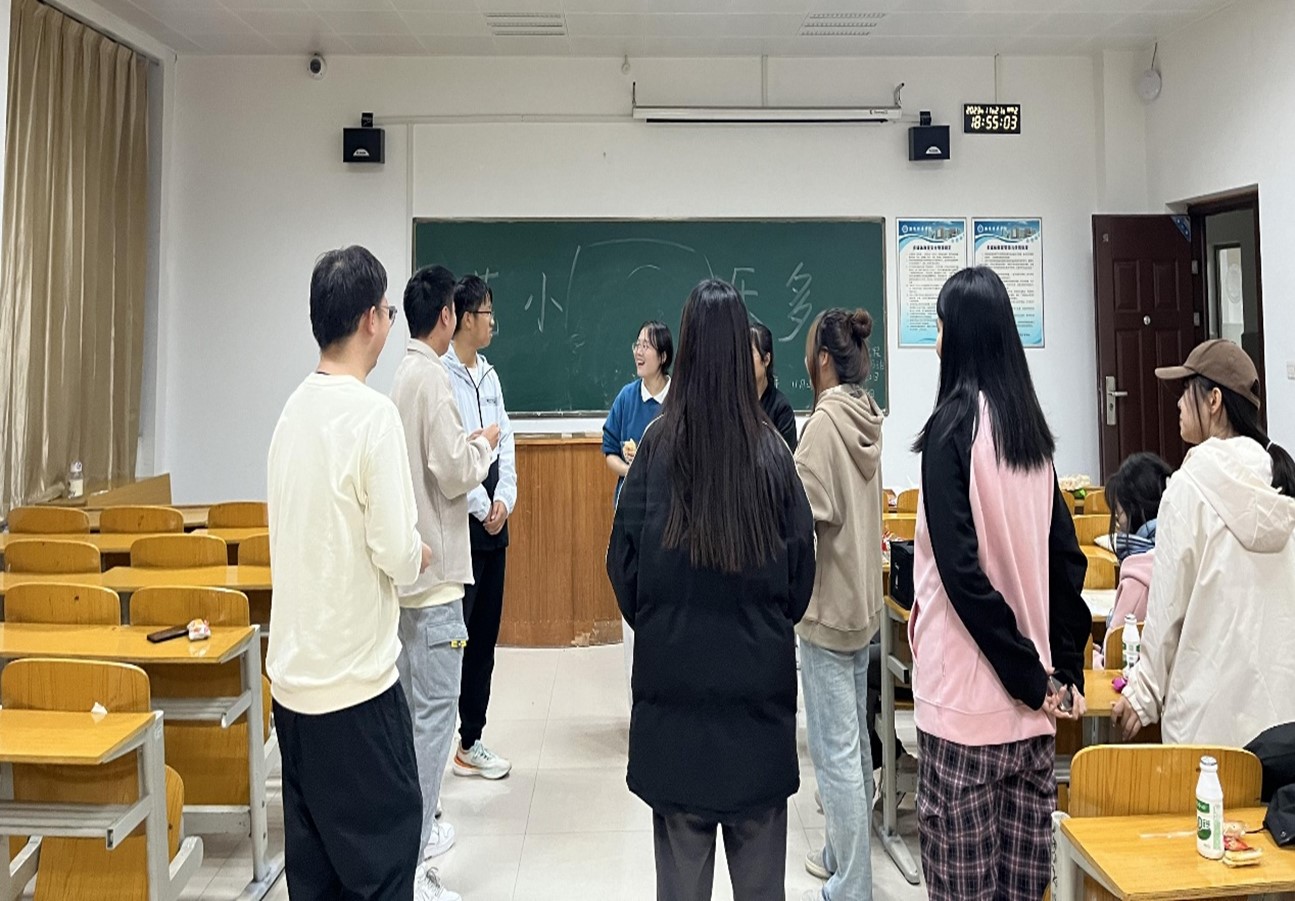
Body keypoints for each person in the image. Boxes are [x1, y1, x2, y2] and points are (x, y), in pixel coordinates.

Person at [607, 279, 815, 901]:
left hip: (675, 714)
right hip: (757, 717)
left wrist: (663, 623)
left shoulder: (655, 449)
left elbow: (622, 566)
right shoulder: (774, 454)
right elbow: (801, 578)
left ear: (688, 348)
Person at [907, 266, 1091, 901]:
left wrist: (1030, 677)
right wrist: (1062, 672)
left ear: (961, 335)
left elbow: (961, 576)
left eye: (939, 328)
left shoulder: (951, 428)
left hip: (964, 713)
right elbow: (1068, 563)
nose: (935, 343)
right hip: (1032, 720)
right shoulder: (1031, 435)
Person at [267, 246, 432, 900]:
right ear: (370, 319)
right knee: (383, 868)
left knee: (317, 879)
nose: (389, 321)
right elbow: (395, 551)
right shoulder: (371, 415)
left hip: (294, 693)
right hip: (356, 695)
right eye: (387, 310)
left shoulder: (291, 413)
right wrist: (415, 553)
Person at [1112, 339, 1295, 746]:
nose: (1178, 404)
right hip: (1283, 731)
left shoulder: (1187, 489)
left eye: (1186, 391)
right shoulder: (1280, 483)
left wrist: (1141, 696)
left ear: (1214, 400)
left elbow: (1166, 611)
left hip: (1206, 731)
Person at [391, 265, 500, 900]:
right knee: (434, 724)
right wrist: (483, 445)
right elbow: (454, 470)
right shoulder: (433, 379)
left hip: (412, 576)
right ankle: (415, 863)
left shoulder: (402, 375)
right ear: (446, 317)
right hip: (436, 584)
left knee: (414, 721)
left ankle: (416, 842)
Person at [793, 308, 884, 901]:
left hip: (827, 612)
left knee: (837, 757)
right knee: (852, 742)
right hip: (862, 606)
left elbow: (799, 516)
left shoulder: (825, 426)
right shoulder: (866, 415)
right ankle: (836, 856)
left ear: (823, 358)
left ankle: (851, 886)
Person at [444, 275, 516, 780]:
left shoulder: (489, 376)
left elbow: (504, 442)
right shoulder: (442, 376)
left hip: (495, 526)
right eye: (487, 313)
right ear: (466, 318)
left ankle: (471, 740)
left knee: (485, 637)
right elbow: (451, 455)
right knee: (456, 640)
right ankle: (438, 741)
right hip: (462, 527)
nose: (493, 322)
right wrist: (480, 505)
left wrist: (504, 499)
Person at [602, 319, 673, 701]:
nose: (639, 351)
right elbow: (609, 453)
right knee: (632, 599)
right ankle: (638, 700)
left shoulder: (678, 398)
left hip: (671, 517)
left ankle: (666, 693)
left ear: (663, 355)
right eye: (637, 344)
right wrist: (634, 471)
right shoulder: (627, 398)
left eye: (647, 345)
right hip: (631, 515)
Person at [1092, 452, 1171, 667]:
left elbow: (1114, 660)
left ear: (1136, 510)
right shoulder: (1185, 550)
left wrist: (1092, 657)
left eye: (1119, 515)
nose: (1118, 526)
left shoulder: (1139, 577)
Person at [751, 321, 799, 451]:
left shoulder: (781, 409)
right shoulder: (735, 403)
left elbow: (787, 456)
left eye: (750, 353)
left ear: (766, 359)